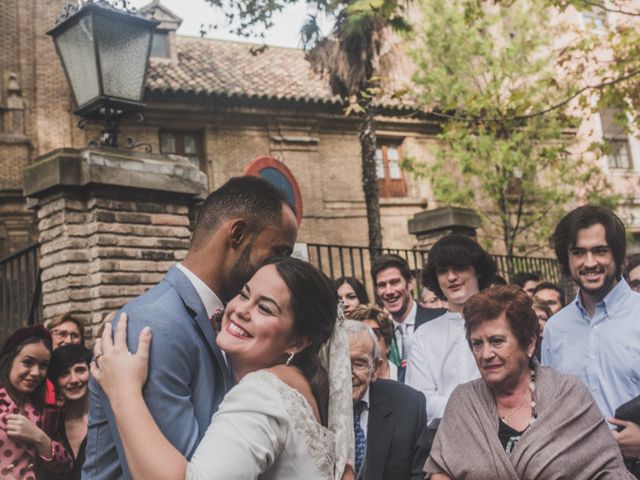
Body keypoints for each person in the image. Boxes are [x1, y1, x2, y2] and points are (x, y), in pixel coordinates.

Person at [83, 176, 299, 479]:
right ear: (237, 234)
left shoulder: (227, 322)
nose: (278, 269)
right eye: (277, 253)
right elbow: (185, 467)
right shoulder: (154, 325)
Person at [91, 257, 354, 480]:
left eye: (264, 308)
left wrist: (124, 391)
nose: (241, 310)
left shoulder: (263, 392)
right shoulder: (303, 385)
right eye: (244, 294)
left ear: (298, 341)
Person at [425, 286, 634, 480]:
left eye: (497, 341)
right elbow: (441, 472)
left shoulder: (567, 393)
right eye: (477, 344)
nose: (485, 354)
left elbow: (608, 471)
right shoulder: (464, 401)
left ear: (529, 343)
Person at [542, 205, 640, 468]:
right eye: (578, 252)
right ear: (566, 260)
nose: (589, 262)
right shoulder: (555, 329)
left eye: (600, 251)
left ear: (618, 257)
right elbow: (551, 408)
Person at [406, 234, 496, 425]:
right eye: (443, 271)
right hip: (443, 439)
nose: (451, 277)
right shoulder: (424, 334)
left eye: (460, 267)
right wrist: (477, 405)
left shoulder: (502, 322)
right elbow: (420, 402)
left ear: (477, 270)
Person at [346, 320, 428, 480]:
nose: (349, 373)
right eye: (341, 363)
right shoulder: (314, 404)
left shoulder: (409, 405)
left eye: (359, 363)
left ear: (375, 368)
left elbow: (419, 475)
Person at [0, 325, 73, 479]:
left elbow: (67, 467)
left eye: (43, 365)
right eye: (27, 362)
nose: (35, 373)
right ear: (9, 360)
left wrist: (40, 438)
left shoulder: (50, 408)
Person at [371, 254, 445, 381]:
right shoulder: (379, 333)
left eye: (394, 282)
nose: (389, 291)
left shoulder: (440, 319)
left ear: (410, 283)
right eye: (382, 285)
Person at [47, 344, 92, 480]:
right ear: (55, 382)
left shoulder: (107, 418)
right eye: (64, 373)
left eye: (80, 370)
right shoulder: (52, 423)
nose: (73, 380)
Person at [44, 313, 85, 406]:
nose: (69, 341)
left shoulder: (88, 371)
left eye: (75, 336)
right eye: (62, 334)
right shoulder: (40, 370)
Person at [349, 304, 398, 380]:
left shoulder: (407, 377)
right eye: (361, 335)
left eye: (374, 334)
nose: (367, 342)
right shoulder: (349, 381)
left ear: (387, 344)